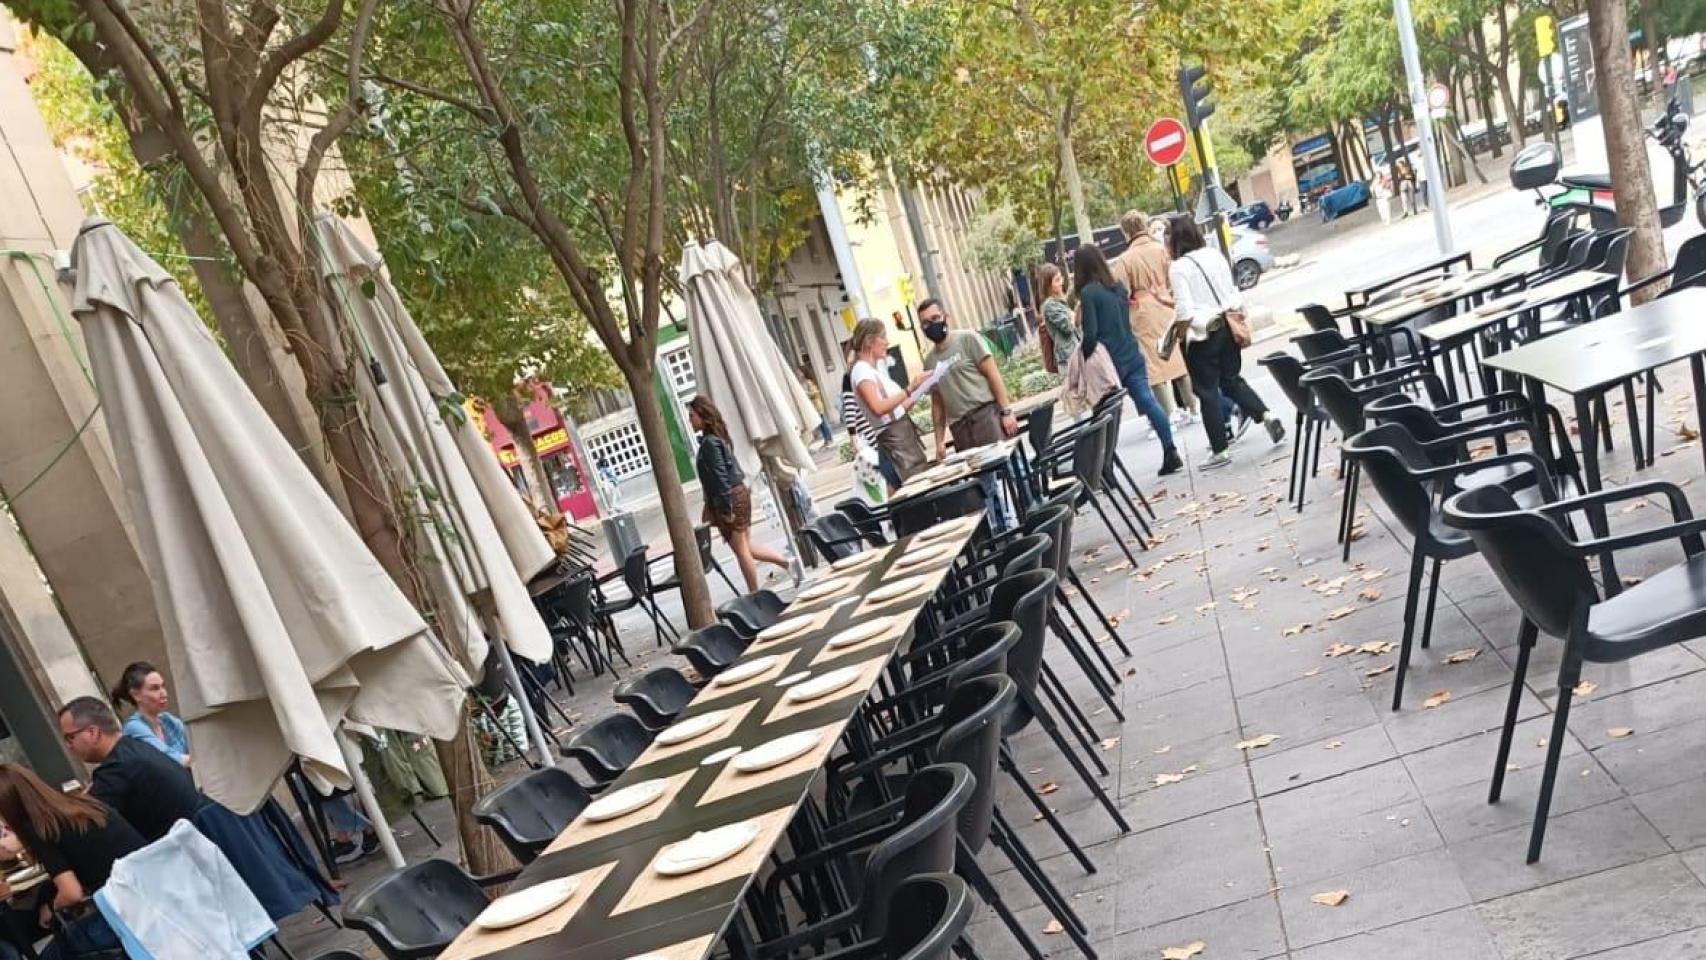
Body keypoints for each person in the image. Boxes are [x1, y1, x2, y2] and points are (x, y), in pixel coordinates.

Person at [1165, 215, 1286, 470]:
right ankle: (1266, 413)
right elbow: (1232, 291)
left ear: (1174, 240)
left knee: (1206, 391)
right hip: (1229, 327)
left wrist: (1177, 335)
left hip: (1202, 336)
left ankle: (1220, 450)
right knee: (1232, 381)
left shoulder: (1178, 267)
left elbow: (1185, 311)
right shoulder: (1214, 255)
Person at [0, 765, 141, 960]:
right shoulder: (81, 803)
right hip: (148, 898)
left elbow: (71, 893)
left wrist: (51, 909)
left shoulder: (39, 828)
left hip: (122, 915)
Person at [1073, 244, 1182, 476]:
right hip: (1131, 353)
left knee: (1104, 417)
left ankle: (1104, 470)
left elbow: (1091, 334)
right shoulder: (1118, 288)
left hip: (1108, 364)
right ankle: (1170, 448)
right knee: (1148, 401)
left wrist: (1082, 355)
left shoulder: (1088, 293)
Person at [1109, 210, 1201, 429]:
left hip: (1142, 311)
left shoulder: (1125, 259)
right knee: (1176, 357)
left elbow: (1121, 291)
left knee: (1155, 365)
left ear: (1126, 231)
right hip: (1166, 304)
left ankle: (1170, 413)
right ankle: (1193, 406)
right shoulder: (1161, 250)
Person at [689, 396, 789, 591]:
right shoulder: (716, 439)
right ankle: (786, 564)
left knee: (742, 550)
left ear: (703, 417)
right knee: (745, 545)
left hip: (731, 497)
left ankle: (755, 594)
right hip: (736, 493)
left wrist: (726, 509)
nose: (690, 420)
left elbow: (719, 476)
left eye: (692, 415)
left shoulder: (710, 443)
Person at [917, 299, 1018, 459]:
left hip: (986, 416)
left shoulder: (967, 339)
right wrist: (939, 441)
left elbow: (993, 375)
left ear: (945, 316)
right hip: (960, 428)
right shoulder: (929, 362)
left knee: (1009, 467)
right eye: (926, 323)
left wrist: (1006, 411)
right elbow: (937, 402)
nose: (932, 325)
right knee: (981, 479)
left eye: (935, 318)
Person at [848, 319, 930, 483]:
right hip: (895, 443)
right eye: (883, 337)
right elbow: (878, 408)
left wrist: (921, 388)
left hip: (900, 439)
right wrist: (910, 388)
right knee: (914, 487)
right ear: (870, 341)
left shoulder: (869, 370)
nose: (887, 342)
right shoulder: (862, 370)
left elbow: (896, 409)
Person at [838, 366, 901, 491]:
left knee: (890, 480)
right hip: (873, 443)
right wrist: (856, 446)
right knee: (889, 481)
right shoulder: (850, 390)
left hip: (879, 439)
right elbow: (850, 419)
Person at [798, 364, 834, 448]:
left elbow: (816, 392)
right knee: (820, 424)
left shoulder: (808, 382)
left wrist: (806, 394)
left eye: (799, 372)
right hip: (813, 407)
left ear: (803, 373)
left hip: (817, 405)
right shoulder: (803, 383)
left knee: (823, 423)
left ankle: (829, 439)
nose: (798, 374)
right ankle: (826, 440)